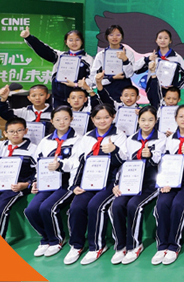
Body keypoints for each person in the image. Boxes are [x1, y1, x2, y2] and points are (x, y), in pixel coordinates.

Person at [64, 105, 123, 265]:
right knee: (76, 207)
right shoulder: (87, 138)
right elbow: (79, 163)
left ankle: (96, 246)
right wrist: (75, 185)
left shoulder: (119, 136)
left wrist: (114, 150)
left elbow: (123, 162)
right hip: (88, 181)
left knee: (95, 206)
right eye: (98, 118)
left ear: (113, 117)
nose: (102, 121)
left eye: (106, 117)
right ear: (92, 119)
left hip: (109, 182)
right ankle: (76, 245)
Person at [24, 107, 81, 257]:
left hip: (66, 182)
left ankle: (57, 240)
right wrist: (36, 181)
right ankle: (46, 238)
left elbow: (77, 163)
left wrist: (61, 165)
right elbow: (39, 163)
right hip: (47, 181)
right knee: (30, 210)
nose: (62, 122)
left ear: (71, 119)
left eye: (66, 119)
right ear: (52, 121)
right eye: (58, 119)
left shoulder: (79, 139)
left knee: (47, 207)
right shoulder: (45, 141)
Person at [109, 106, 162, 264]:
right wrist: (117, 183)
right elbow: (124, 163)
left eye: (150, 120)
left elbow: (161, 162)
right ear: (138, 121)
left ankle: (134, 245)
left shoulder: (161, 138)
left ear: (156, 121)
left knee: (134, 205)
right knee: (116, 205)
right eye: (143, 120)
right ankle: (121, 246)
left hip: (150, 184)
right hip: (129, 181)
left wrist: (151, 155)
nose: (146, 123)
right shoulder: (131, 139)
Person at [150, 105, 184, 265]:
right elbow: (164, 162)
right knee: (162, 203)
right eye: (181, 116)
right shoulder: (170, 139)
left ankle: (173, 246)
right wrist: (165, 182)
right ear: (175, 119)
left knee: (179, 204)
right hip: (171, 181)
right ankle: (162, 246)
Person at [21, 27, 93, 108]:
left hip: (79, 100)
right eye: (70, 40)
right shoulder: (59, 56)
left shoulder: (88, 59)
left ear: (82, 41)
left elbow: (92, 79)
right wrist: (29, 38)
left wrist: (77, 84)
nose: (74, 42)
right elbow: (43, 49)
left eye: (77, 40)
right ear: (66, 42)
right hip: (58, 99)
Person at [140, 29, 184, 107]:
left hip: (170, 95)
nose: (162, 40)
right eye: (160, 38)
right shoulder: (152, 57)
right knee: (155, 110)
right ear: (156, 40)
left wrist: (175, 86)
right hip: (154, 92)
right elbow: (136, 70)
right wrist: (148, 59)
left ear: (170, 41)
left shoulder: (177, 58)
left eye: (166, 38)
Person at [91, 25, 140, 104]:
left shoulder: (128, 53)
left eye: (118, 35)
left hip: (124, 90)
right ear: (106, 37)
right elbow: (94, 78)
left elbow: (129, 74)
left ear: (122, 36)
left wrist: (125, 60)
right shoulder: (101, 55)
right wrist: (112, 78)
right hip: (106, 90)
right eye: (111, 35)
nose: (114, 37)